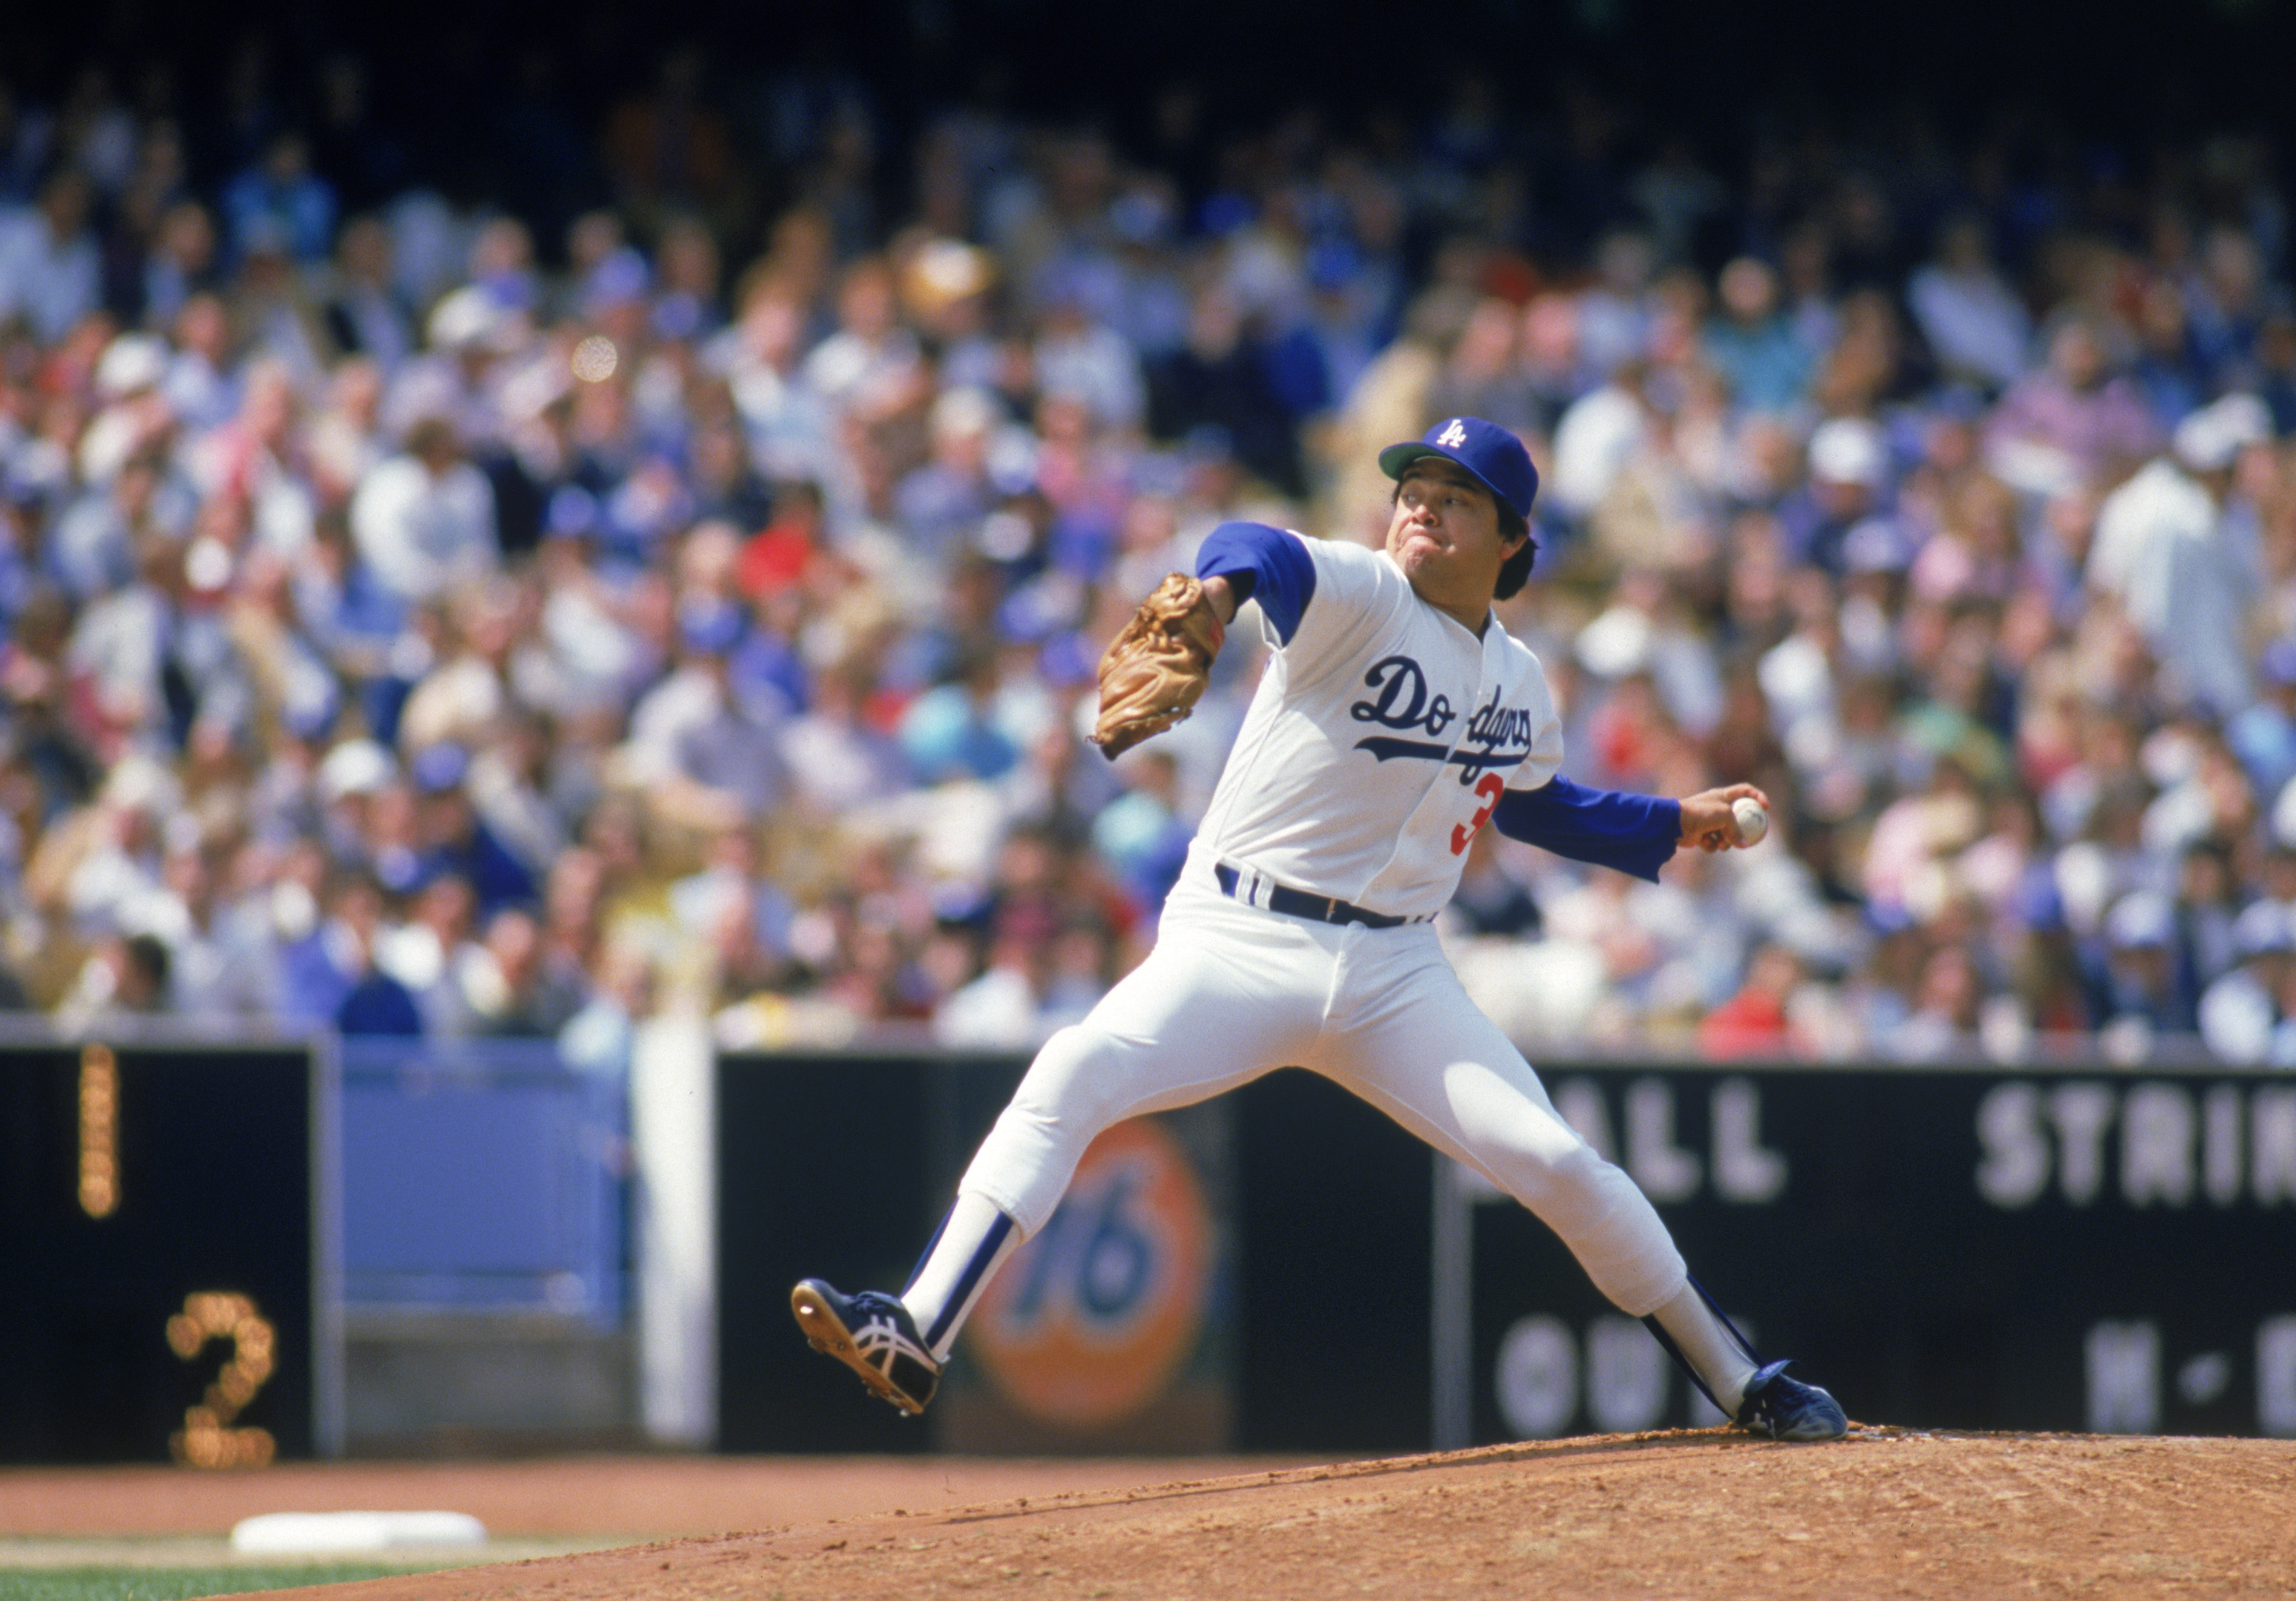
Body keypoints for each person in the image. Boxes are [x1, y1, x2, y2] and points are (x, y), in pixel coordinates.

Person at [792, 416, 1849, 1442]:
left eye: (1455, 500)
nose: (1421, 511)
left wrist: (1675, 825)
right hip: (1239, 939)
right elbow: (1255, 547)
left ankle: (1740, 1379)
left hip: (1397, 971)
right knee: (1078, 1068)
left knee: (1562, 1164)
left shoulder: (1520, 681)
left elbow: (1527, 801)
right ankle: (920, 1327)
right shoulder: (1361, 591)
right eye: (1412, 492)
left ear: (1515, 538)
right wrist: (1212, 594)